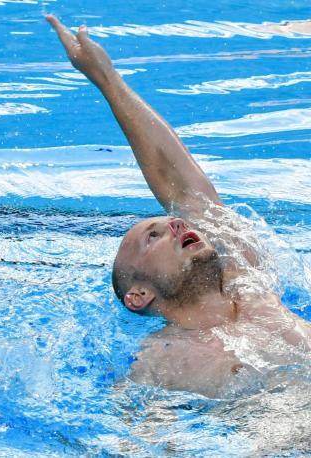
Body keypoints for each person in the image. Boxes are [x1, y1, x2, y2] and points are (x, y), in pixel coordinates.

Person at [46, 15, 311, 398]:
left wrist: (108, 79)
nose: (172, 226)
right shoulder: (160, 360)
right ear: (138, 296)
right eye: (151, 237)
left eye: (169, 223)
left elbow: (182, 186)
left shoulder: (248, 281)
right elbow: (137, 437)